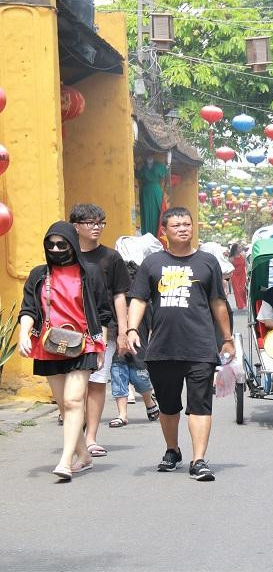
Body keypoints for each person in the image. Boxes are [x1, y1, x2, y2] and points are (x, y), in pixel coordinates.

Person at [127, 207, 234, 481]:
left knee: (200, 404)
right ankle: (172, 450)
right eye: (177, 225)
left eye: (187, 224)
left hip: (200, 345)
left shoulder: (208, 262)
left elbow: (218, 302)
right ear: (165, 231)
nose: (183, 228)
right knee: (168, 405)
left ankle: (199, 460)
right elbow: (138, 298)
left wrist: (227, 338)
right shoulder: (152, 264)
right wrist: (130, 329)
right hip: (162, 347)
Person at [17, 221, 111, 480]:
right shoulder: (39, 275)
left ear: (72, 244)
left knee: (72, 401)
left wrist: (100, 345)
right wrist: (24, 332)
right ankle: (85, 455)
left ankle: (65, 461)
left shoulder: (89, 273)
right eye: (51, 244)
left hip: (84, 344)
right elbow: (28, 310)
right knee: (64, 406)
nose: (57, 249)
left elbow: (103, 313)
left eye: (62, 244)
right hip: (49, 345)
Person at [69, 203, 130, 456]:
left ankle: (91, 437)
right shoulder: (65, 253)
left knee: (96, 381)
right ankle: (75, 433)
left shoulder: (111, 257)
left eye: (100, 222)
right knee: (73, 386)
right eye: (90, 222)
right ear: (76, 226)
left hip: (104, 328)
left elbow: (119, 295)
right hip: (70, 327)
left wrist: (125, 330)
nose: (96, 227)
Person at [108, 261, 160, 427]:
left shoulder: (144, 305)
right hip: (119, 351)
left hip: (140, 350)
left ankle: (149, 402)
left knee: (141, 381)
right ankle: (122, 415)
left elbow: (153, 328)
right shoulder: (113, 304)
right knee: (118, 378)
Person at [229, 243, 247, 310]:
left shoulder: (243, 255)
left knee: (243, 290)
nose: (240, 249)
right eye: (239, 247)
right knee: (237, 291)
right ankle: (240, 305)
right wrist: (229, 278)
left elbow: (246, 265)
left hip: (242, 275)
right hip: (234, 276)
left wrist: (247, 274)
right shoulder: (231, 258)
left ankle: (243, 303)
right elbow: (230, 269)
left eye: (240, 247)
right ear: (235, 249)